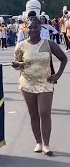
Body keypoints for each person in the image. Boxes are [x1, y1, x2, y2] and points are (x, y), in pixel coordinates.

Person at [12, 18, 67, 156]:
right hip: (27, 83)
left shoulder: (48, 44)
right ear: (26, 29)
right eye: (30, 28)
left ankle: (46, 144)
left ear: (40, 29)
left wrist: (57, 75)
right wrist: (16, 65)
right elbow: (18, 63)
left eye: (35, 28)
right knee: (34, 114)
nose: (32, 30)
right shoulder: (21, 45)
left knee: (44, 112)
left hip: (45, 82)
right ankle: (39, 142)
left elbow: (63, 58)